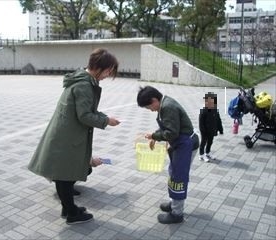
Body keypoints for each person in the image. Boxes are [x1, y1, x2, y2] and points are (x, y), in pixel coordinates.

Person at [28, 48, 120, 225]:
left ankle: (68, 207)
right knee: (65, 175)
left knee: (65, 174)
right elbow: (84, 116)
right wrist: (106, 120)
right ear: (99, 67)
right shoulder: (84, 85)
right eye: (109, 71)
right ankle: (71, 213)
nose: (108, 75)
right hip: (68, 137)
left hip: (67, 133)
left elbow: (86, 111)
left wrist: (104, 118)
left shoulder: (82, 79)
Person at [137, 86, 199, 224]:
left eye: (149, 107)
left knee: (178, 177)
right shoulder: (164, 103)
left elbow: (171, 133)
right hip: (180, 143)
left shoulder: (167, 107)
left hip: (185, 144)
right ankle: (174, 203)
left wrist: (155, 135)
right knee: (173, 172)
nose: (150, 110)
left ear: (154, 100)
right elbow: (167, 126)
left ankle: (177, 213)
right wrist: (155, 136)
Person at [199, 92, 223, 162]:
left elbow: (218, 120)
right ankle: (201, 154)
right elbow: (201, 122)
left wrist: (221, 129)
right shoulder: (204, 110)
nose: (211, 102)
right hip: (205, 131)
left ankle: (207, 153)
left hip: (212, 130)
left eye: (213, 100)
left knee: (210, 142)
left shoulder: (215, 109)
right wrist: (203, 130)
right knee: (203, 142)